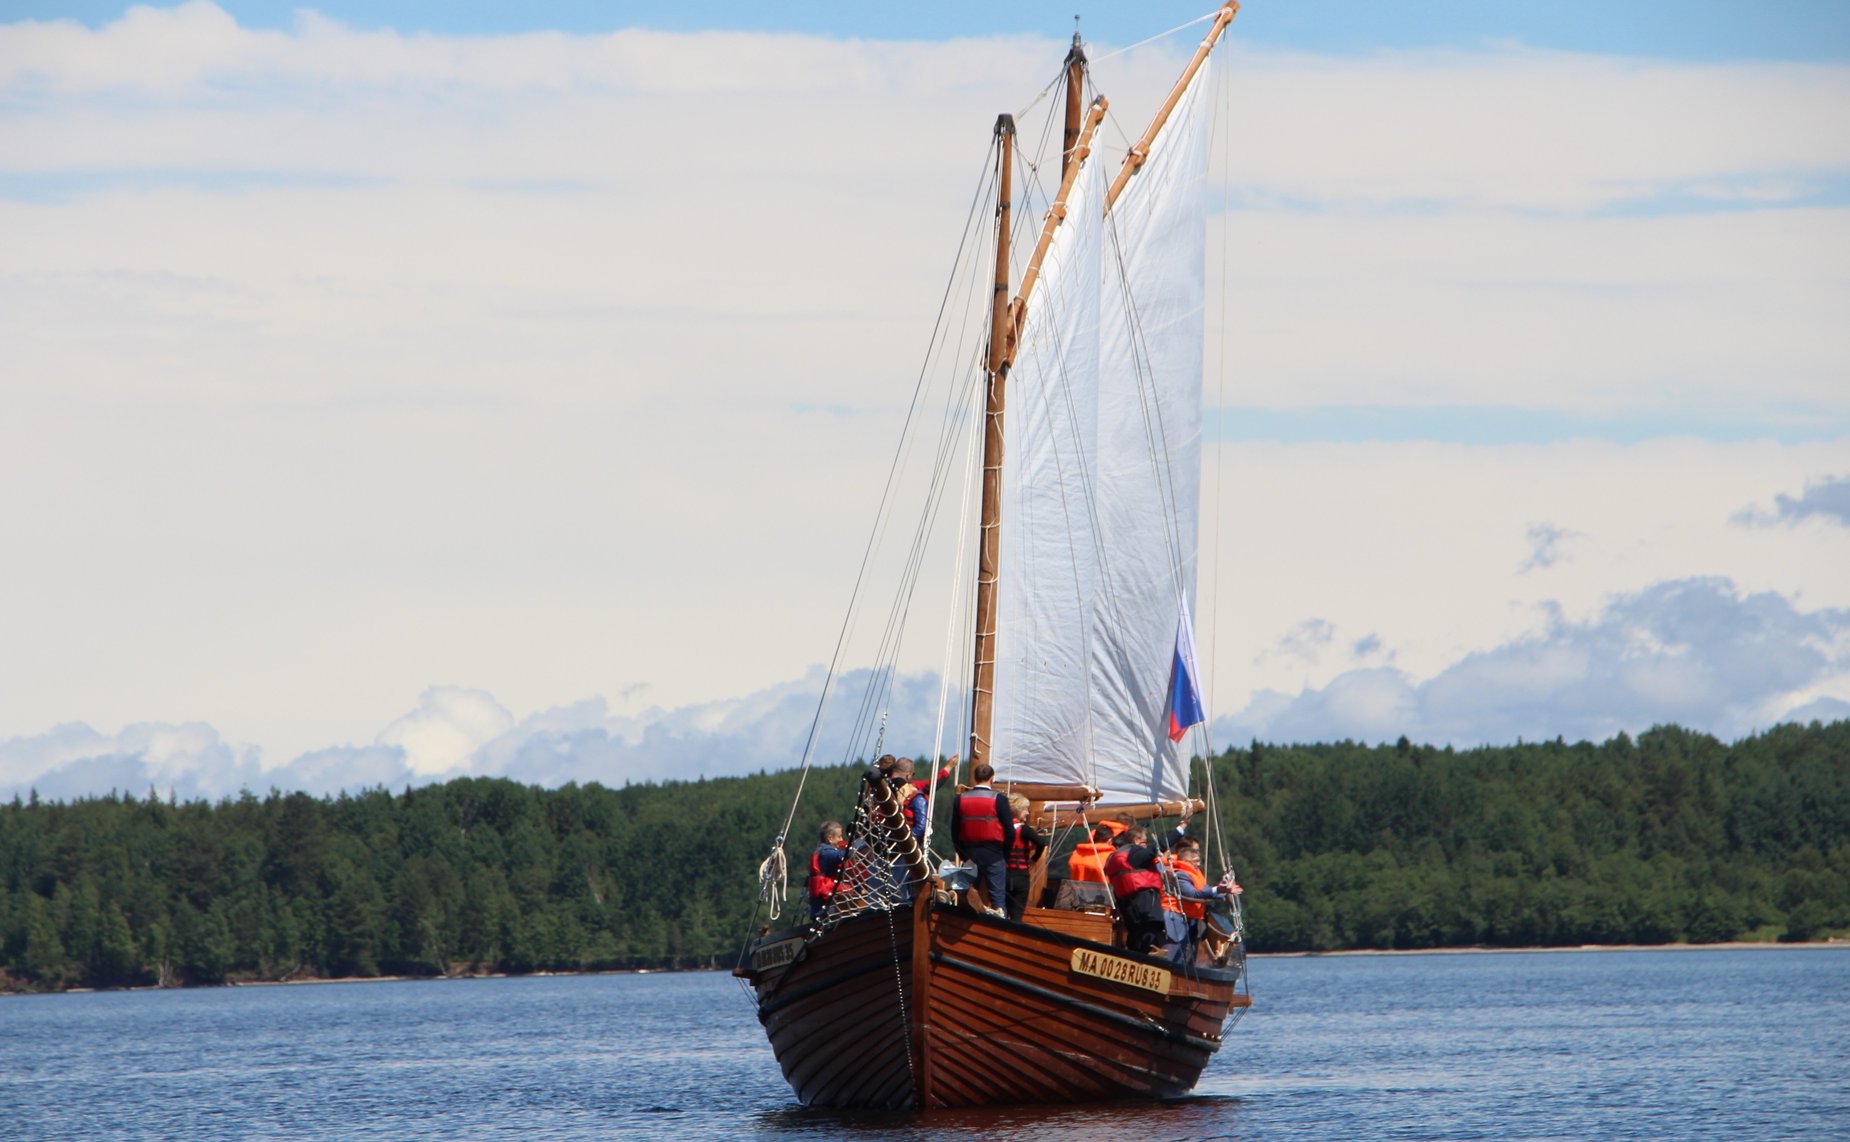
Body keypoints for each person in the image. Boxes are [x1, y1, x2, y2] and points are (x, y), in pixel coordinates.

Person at [1102, 819, 1190, 954]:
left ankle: (1140, 958)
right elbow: (1158, 847)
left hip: (1128, 903)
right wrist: (1181, 827)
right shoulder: (1135, 853)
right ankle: (1148, 961)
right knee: (1148, 936)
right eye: (1145, 842)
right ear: (1136, 841)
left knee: (1137, 936)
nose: (1146, 845)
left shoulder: (1115, 856)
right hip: (1144, 902)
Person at [951, 762, 1014, 917]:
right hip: (994, 855)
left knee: (966, 898)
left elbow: (954, 831)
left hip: (970, 855)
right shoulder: (999, 799)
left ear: (975, 778)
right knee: (998, 900)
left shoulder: (960, 799)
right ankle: (1000, 926)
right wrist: (1003, 854)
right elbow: (1009, 831)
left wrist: (963, 855)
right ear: (992, 778)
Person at [1159, 835, 1231, 963]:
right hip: (1176, 916)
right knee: (1175, 956)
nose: (1198, 864)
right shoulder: (1180, 874)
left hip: (1192, 917)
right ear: (1187, 861)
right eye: (1196, 861)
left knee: (1187, 955)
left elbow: (1206, 890)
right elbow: (1192, 894)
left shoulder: (1194, 873)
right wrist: (1218, 890)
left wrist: (1225, 891)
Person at [1003, 793, 1047, 921]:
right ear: (1018, 811)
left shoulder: (1003, 828)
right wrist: (1034, 859)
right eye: (1025, 810)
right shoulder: (1025, 830)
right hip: (1020, 876)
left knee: (1003, 912)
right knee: (1017, 914)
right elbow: (1041, 843)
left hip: (1004, 874)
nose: (1027, 813)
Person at [807, 821, 847, 922]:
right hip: (823, 907)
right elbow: (842, 857)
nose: (841, 840)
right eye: (839, 837)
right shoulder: (827, 853)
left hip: (820, 904)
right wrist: (853, 846)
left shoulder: (821, 851)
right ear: (830, 838)